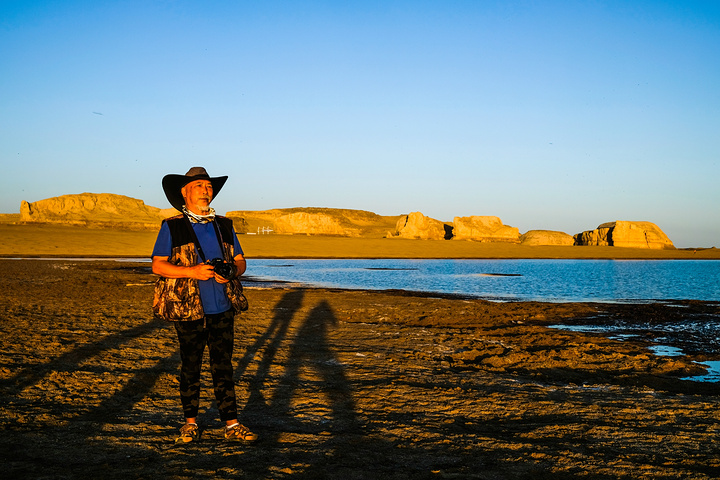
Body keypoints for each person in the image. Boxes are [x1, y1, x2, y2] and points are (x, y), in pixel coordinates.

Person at [151, 166, 257, 444]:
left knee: (223, 367)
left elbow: (241, 261)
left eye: (208, 186)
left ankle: (232, 424)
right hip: (189, 308)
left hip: (223, 306)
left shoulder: (224, 225)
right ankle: (190, 424)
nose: (205, 190)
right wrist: (193, 272)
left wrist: (232, 272)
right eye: (198, 186)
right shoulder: (172, 226)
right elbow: (158, 265)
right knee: (191, 366)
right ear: (184, 193)